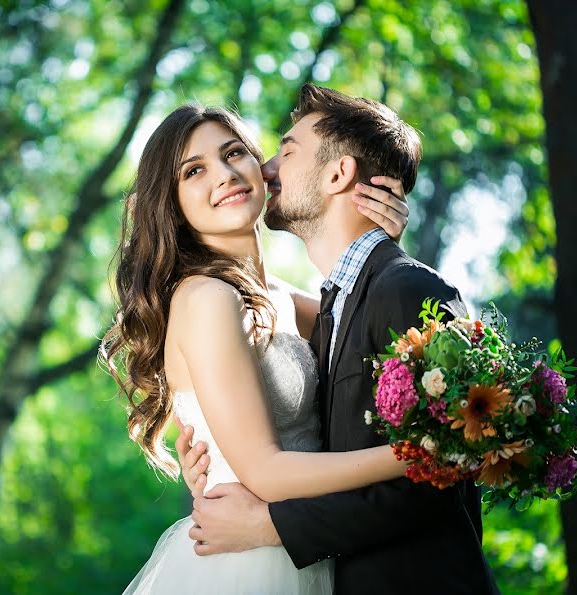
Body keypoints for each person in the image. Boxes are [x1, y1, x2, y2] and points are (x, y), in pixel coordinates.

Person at [176, 85, 500, 594]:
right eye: (193, 169)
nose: (263, 171)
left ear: (337, 174)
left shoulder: (392, 289)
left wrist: (268, 525)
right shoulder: (325, 306)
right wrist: (211, 455)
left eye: (283, 152)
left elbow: (438, 480)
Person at [100, 99, 412, 594]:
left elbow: (367, 318)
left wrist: (379, 237)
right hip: (252, 561)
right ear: (172, 203)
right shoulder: (207, 298)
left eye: (233, 153)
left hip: (318, 549)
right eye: (194, 171)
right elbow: (266, 471)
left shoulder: (284, 299)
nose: (224, 175)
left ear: (262, 168)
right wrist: (413, 455)